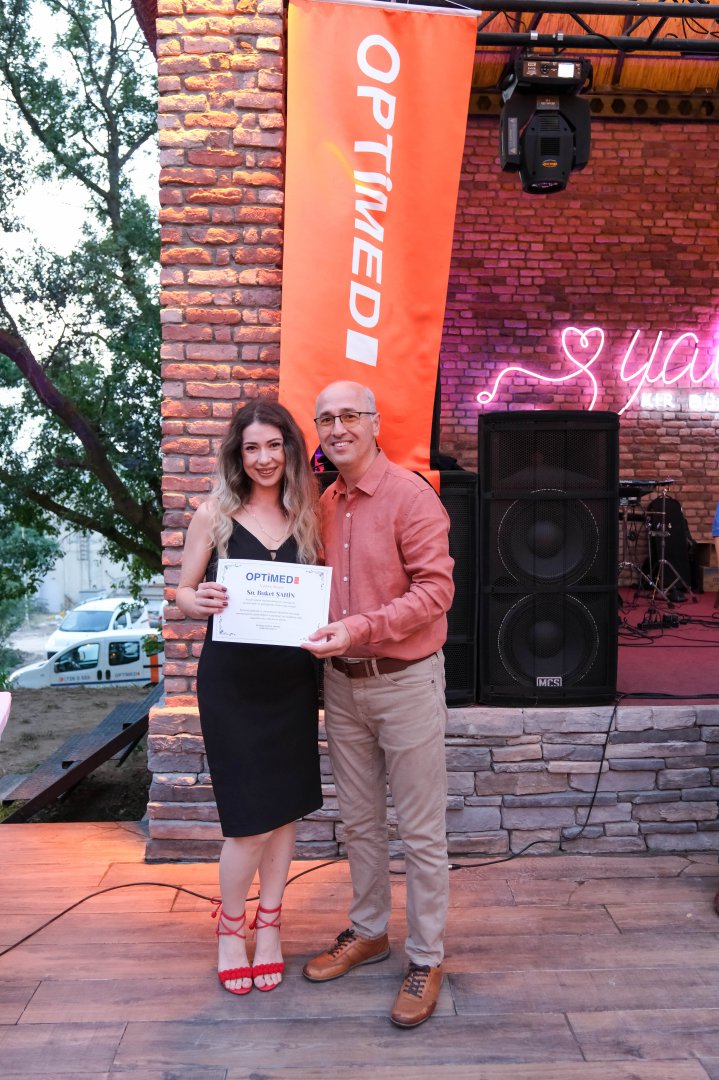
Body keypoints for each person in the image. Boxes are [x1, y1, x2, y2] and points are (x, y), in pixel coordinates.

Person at [301, 380, 455, 1028]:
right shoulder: (325, 502)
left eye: (349, 416)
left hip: (405, 682)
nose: (337, 428)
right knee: (360, 823)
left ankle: (426, 957)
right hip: (342, 684)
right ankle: (368, 932)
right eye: (325, 419)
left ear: (374, 422)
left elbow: (436, 591)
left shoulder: (410, 496)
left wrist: (359, 628)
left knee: (420, 832)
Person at [176, 399, 323, 995]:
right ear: (238, 455)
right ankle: (231, 928)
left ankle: (270, 926)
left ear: (290, 449)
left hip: (291, 682)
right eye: (252, 448)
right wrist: (199, 600)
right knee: (247, 822)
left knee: (283, 811)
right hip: (232, 684)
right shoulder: (214, 512)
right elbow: (183, 592)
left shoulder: (309, 512)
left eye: (274, 445)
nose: (264, 458)